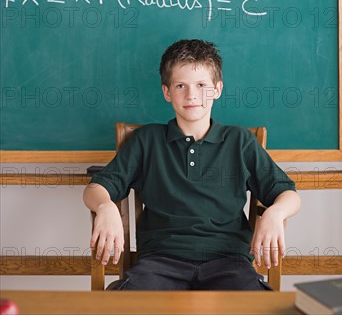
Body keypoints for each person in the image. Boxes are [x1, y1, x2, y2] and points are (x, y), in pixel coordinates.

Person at [83, 39, 301, 290]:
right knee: (123, 306)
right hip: (159, 263)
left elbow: (289, 195)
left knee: (261, 307)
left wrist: (276, 212)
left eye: (201, 85)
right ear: (167, 92)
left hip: (229, 263)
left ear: (217, 89)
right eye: (180, 85)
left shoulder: (239, 141)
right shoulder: (147, 140)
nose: (192, 95)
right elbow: (94, 189)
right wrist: (105, 206)